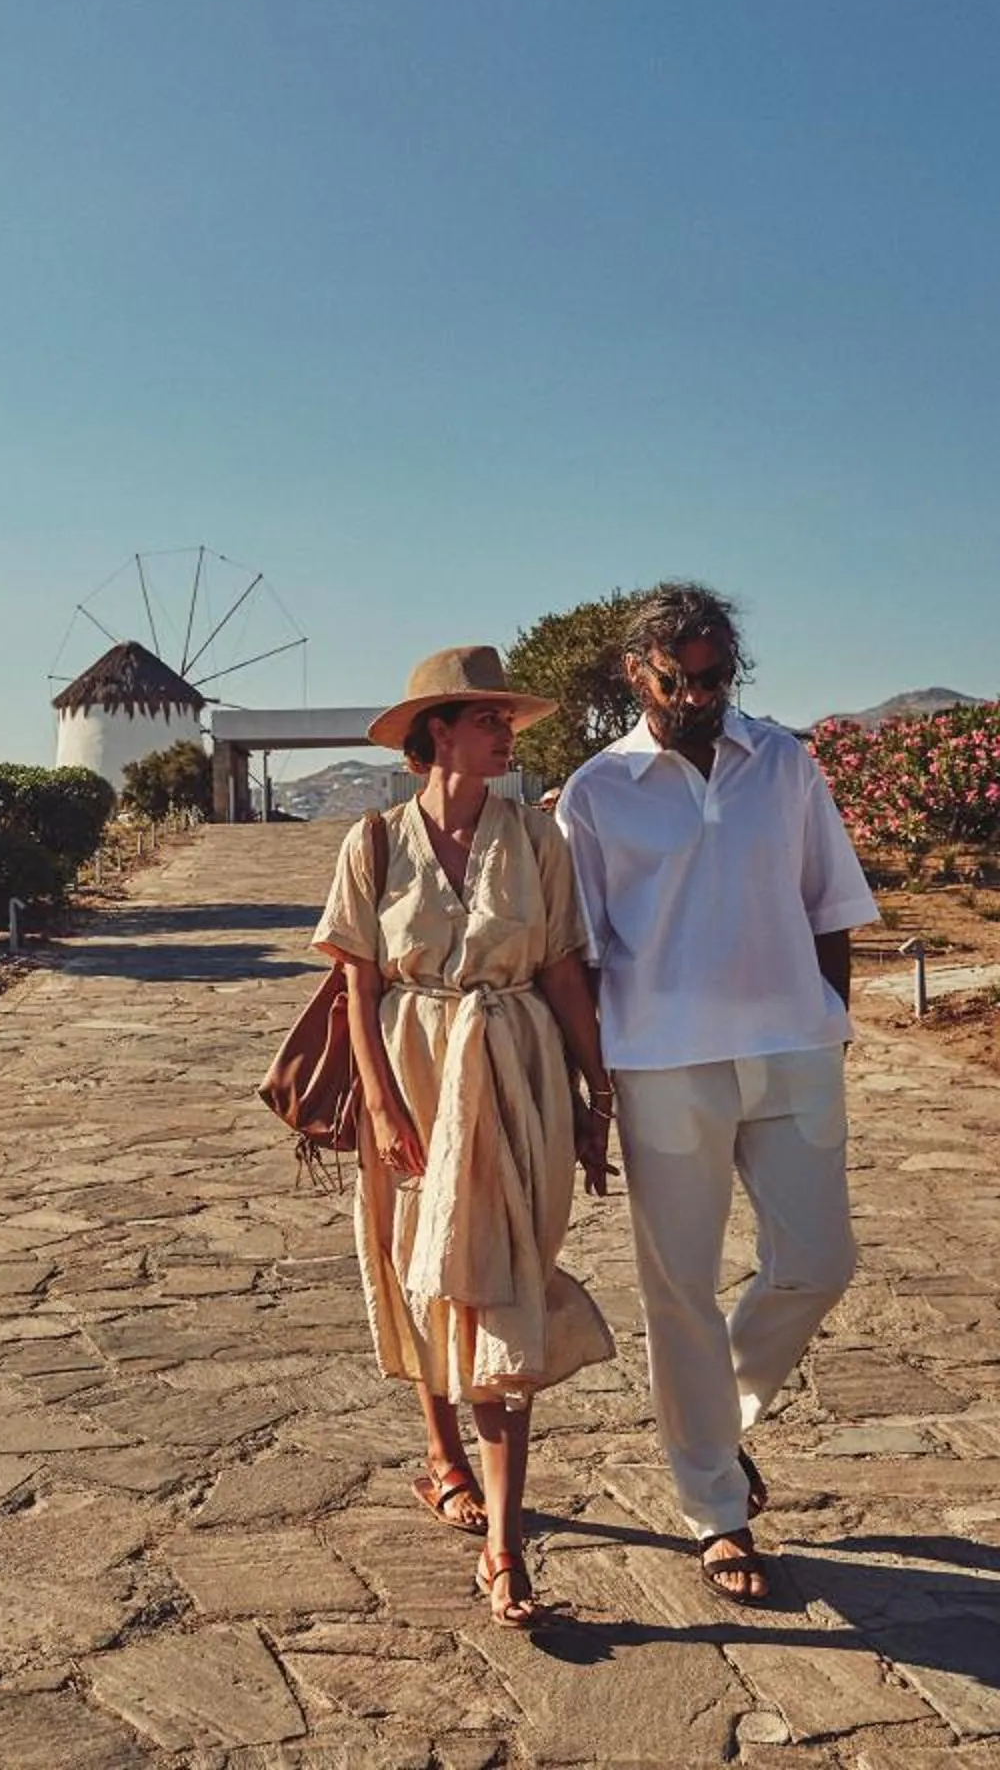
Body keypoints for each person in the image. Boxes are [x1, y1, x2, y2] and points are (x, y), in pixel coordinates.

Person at [553, 583, 879, 1608]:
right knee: (678, 1289)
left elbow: (831, 899)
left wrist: (829, 1014)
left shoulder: (783, 761)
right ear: (634, 674)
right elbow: (584, 948)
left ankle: (716, 1422)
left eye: (713, 676)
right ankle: (714, 1506)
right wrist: (594, 1078)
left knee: (819, 1261)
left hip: (792, 1047)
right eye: (676, 677)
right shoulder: (596, 791)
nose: (697, 694)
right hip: (661, 1060)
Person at [311, 645, 617, 1630]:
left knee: (502, 1278)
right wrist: (383, 1101)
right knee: (418, 1268)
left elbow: (565, 967)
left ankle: (505, 1540)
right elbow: (359, 984)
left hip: (517, 1070)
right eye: (489, 718)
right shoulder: (373, 842)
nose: (505, 733)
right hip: (409, 1067)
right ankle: (445, 1460)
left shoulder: (536, 839)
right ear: (441, 730)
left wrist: (596, 1086)